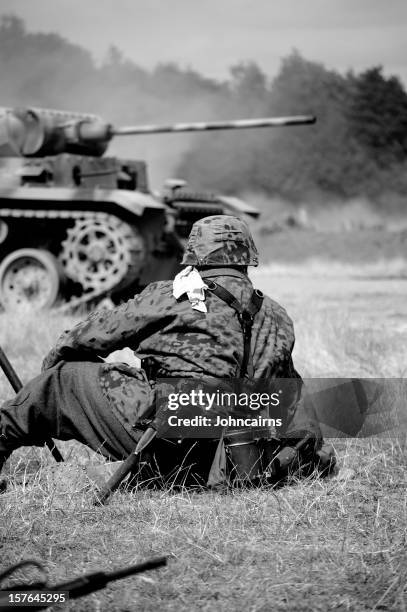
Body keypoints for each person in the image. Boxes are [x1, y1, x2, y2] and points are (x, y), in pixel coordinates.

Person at [0, 215, 335, 488]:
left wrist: (54, 364)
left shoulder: (172, 294)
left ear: (195, 256)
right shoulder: (277, 314)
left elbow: (91, 335)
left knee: (57, 384)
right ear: (247, 258)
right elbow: (287, 394)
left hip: (170, 442)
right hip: (239, 452)